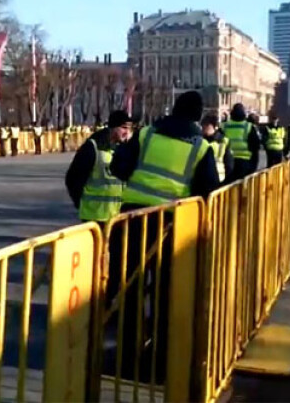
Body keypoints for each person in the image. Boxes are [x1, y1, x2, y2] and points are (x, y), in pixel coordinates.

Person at [109, 91, 219, 383]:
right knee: (164, 291)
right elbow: (209, 190)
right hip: (173, 225)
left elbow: (118, 167)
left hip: (132, 220)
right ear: (197, 116)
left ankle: (127, 351)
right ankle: (159, 355)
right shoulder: (202, 148)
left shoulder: (145, 135)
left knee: (129, 285)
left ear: (173, 109)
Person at [65, 110, 132, 225]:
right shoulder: (93, 147)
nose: (127, 132)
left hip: (117, 217)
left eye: (130, 129)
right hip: (94, 217)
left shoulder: (124, 149)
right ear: (113, 127)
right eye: (124, 128)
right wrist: (80, 203)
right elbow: (72, 178)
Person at [222, 103, 260, 182]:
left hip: (227, 162)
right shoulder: (249, 127)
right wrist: (253, 167)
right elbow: (255, 148)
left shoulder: (224, 126)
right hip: (244, 163)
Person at [201, 114, 233, 183]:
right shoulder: (200, 140)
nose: (204, 128)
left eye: (207, 126)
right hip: (202, 180)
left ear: (215, 127)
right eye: (203, 126)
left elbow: (229, 165)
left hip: (219, 181)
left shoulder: (224, 141)